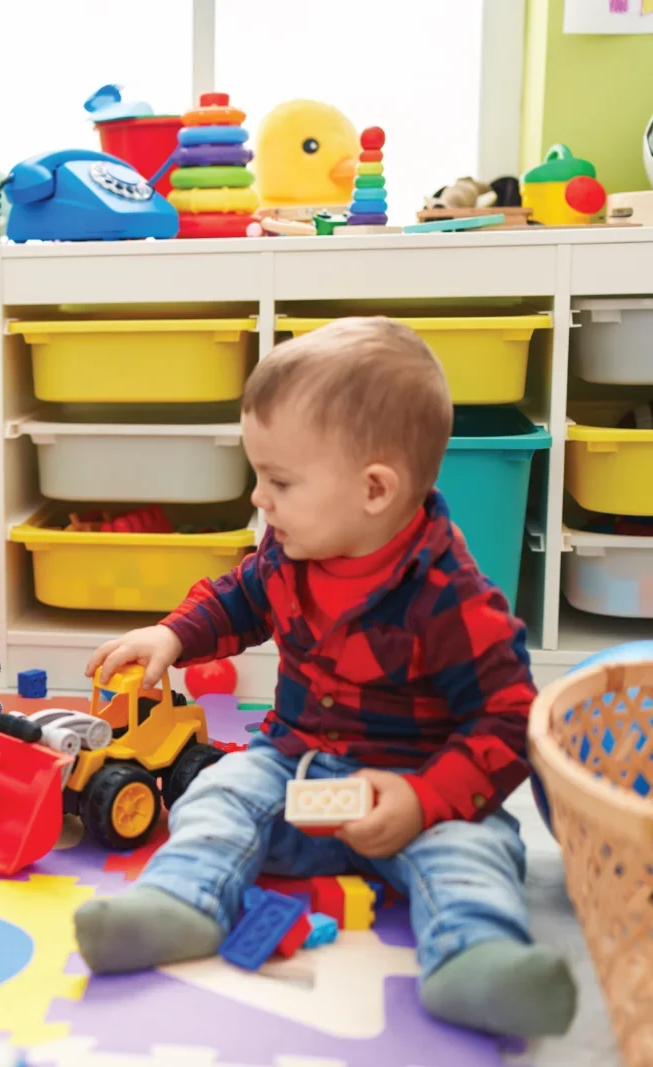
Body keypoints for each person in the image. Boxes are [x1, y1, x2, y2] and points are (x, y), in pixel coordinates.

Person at [73, 319, 576, 1039]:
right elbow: (239, 596)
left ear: (374, 489)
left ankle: (477, 961)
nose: (259, 499)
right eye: (259, 476)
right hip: (297, 773)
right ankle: (181, 903)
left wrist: (424, 797)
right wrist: (172, 632)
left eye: (278, 480)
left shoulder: (451, 598)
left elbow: (508, 721)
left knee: (473, 851)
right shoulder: (290, 548)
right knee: (218, 791)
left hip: (416, 791)